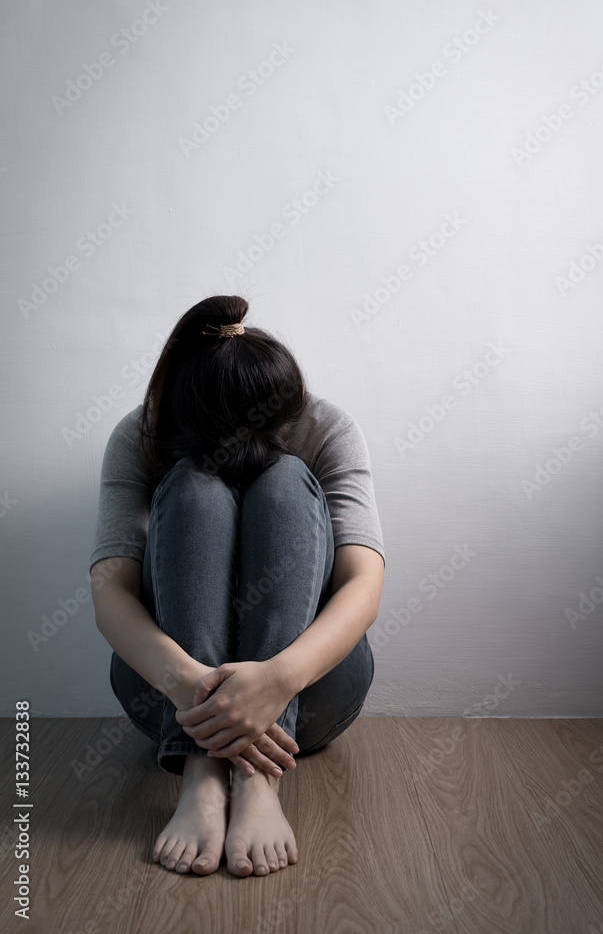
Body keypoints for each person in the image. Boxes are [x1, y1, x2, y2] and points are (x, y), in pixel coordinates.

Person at [89, 294, 385, 879]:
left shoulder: (323, 425)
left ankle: (257, 778)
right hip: (172, 698)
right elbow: (109, 590)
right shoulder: (143, 431)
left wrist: (277, 680)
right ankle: (201, 774)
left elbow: (364, 582)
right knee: (196, 488)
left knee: (283, 480)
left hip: (312, 692)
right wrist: (194, 689)